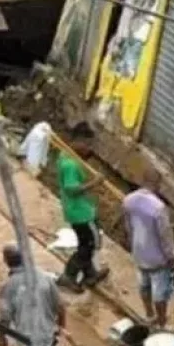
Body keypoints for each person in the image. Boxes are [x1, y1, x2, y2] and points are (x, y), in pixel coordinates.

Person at [56, 122, 110, 293]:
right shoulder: (70, 165)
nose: (89, 149)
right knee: (89, 245)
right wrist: (94, 183)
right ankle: (69, 275)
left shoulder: (67, 155)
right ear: (78, 141)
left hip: (76, 210)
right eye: (87, 144)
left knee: (86, 242)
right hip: (81, 213)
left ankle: (90, 274)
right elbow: (71, 189)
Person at [123, 169, 174, 329]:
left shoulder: (128, 200)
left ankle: (149, 315)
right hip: (157, 259)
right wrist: (172, 256)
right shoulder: (158, 208)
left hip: (139, 253)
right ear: (157, 185)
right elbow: (165, 236)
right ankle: (161, 323)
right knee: (160, 294)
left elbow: (128, 228)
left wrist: (133, 245)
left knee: (144, 286)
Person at [0, 244, 65, 346]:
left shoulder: (7, 287)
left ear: (6, 261)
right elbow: (60, 306)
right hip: (47, 338)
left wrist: (1, 338)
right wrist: (61, 327)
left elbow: (4, 319)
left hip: (25, 341)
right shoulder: (45, 278)